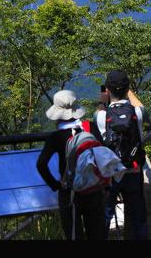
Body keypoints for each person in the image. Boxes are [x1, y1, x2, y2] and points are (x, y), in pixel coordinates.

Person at [36, 90, 105, 240]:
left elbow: (41, 164)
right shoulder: (90, 128)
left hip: (69, 191)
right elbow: (103, 153)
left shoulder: (55, 137)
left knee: (73, 234)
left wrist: (56, 185)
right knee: (97, 233)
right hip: (94, 188)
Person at [93, 70, 148, 240]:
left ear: (107, 90)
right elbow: (141, 107)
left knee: (105, 216)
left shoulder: (101, 116)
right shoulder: (137, 113)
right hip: (133, 170)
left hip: (112, 174)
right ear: (127, 88)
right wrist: (128, 91)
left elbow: (97, 116)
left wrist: (102, 101)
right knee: (139, 218)